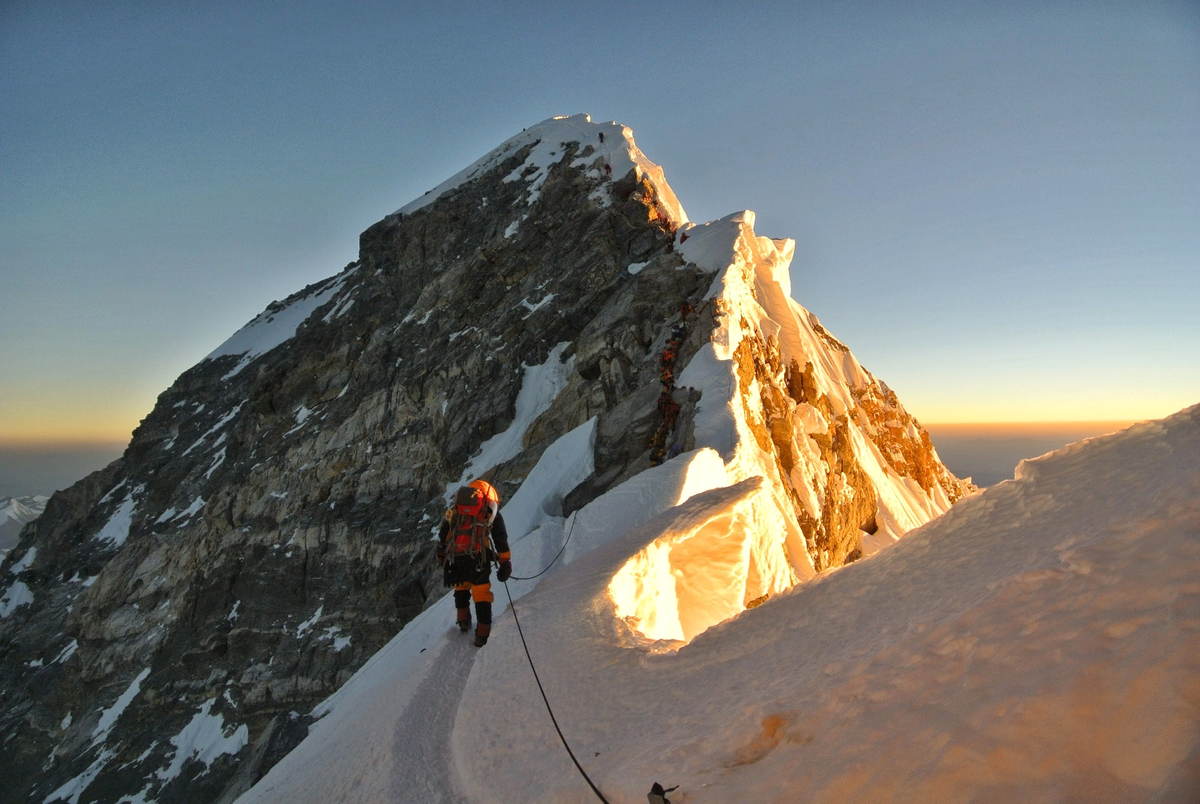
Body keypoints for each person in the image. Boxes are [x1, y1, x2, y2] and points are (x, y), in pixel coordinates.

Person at [436, 479, 511, 646]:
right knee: (481, 592)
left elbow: (444, 533)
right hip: (478, 558)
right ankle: (482, 634)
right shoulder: (489, 510)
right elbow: (500, 538)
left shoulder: (457, 508)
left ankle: (463, 621)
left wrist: (441, 553)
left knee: (461, 586)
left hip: (456, 556)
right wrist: (505, 561)